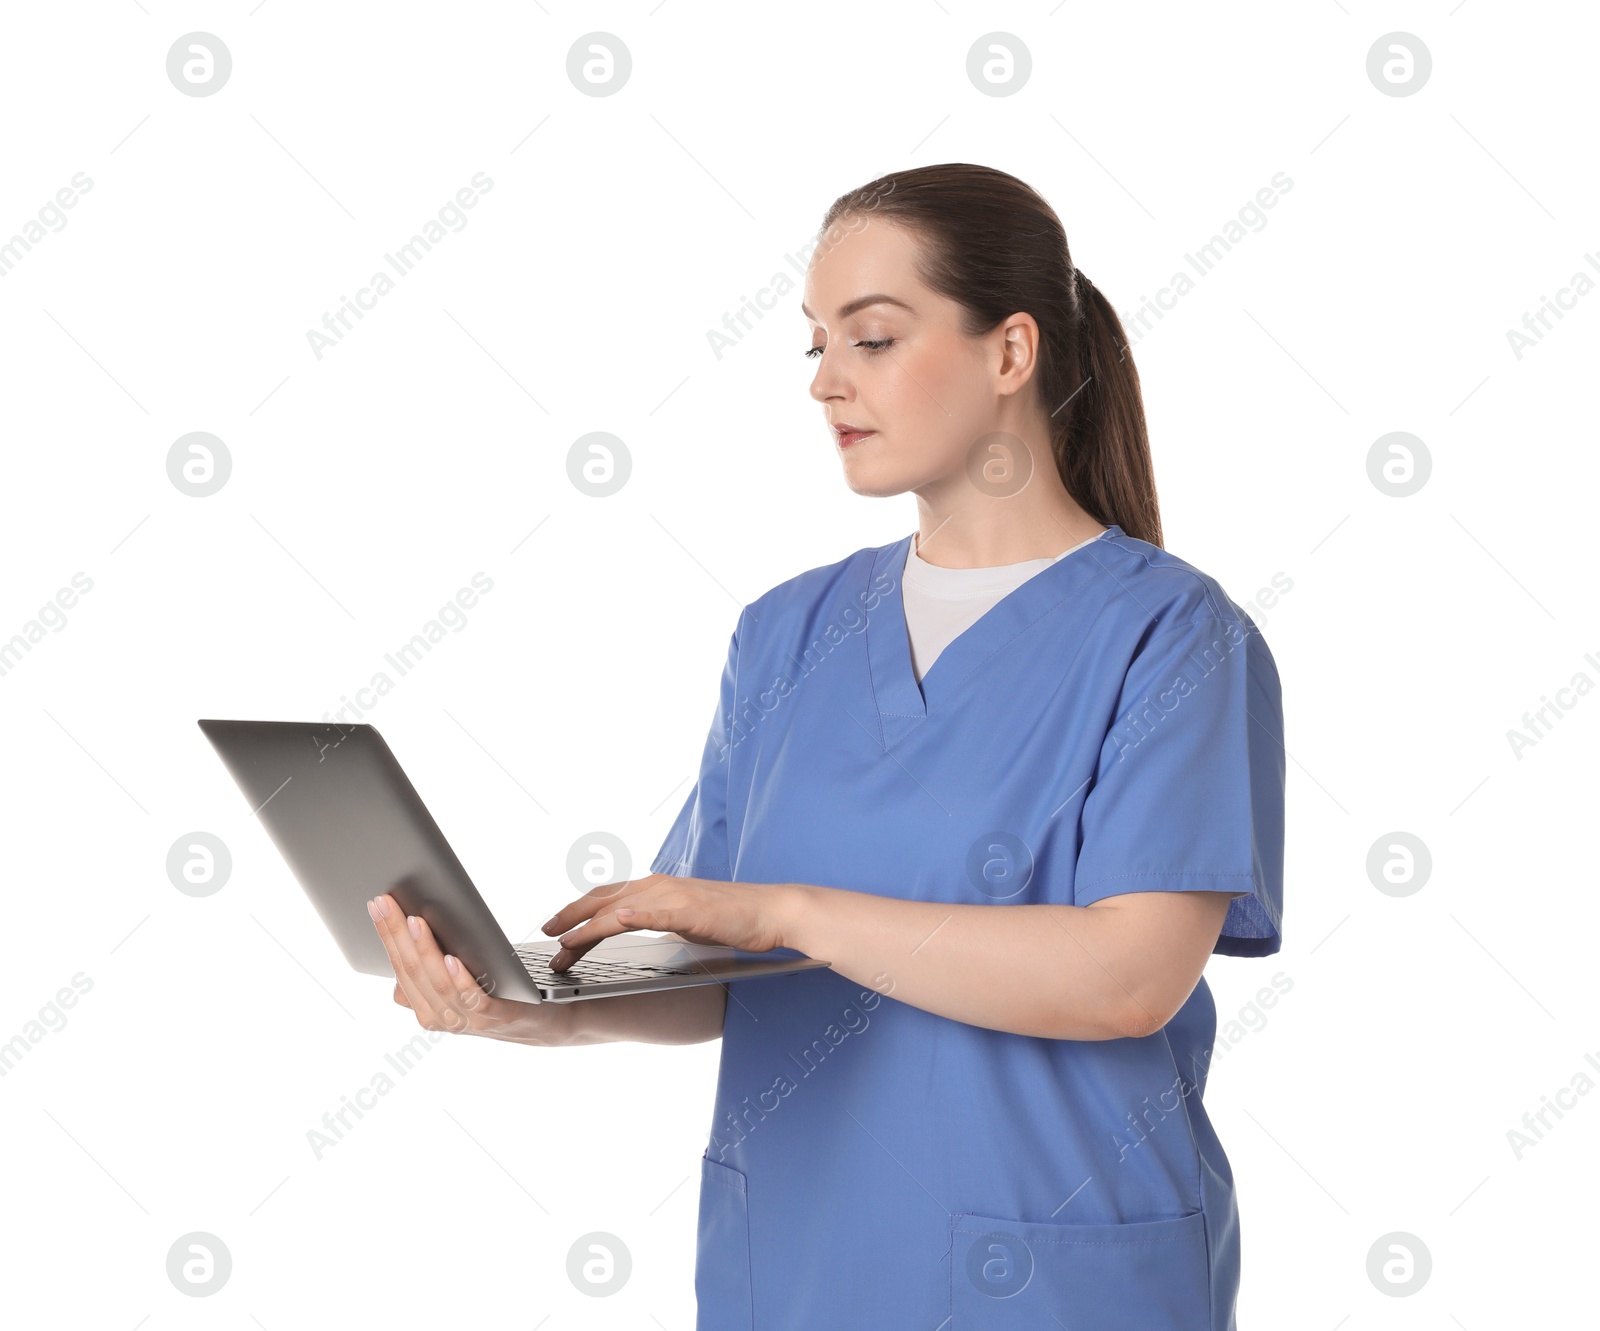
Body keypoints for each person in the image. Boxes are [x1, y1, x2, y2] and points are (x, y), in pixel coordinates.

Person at [367, 162, 1285, 1331]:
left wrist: (791, 909)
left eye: (874, 338)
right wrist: (521, 1005)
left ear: (1012, 353)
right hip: (797, 1266)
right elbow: (720, 975)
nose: (827, 383)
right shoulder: (788, 631)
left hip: (1051, 1276)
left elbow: (1127, 978)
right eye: (813, 347)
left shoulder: (1171, 634)